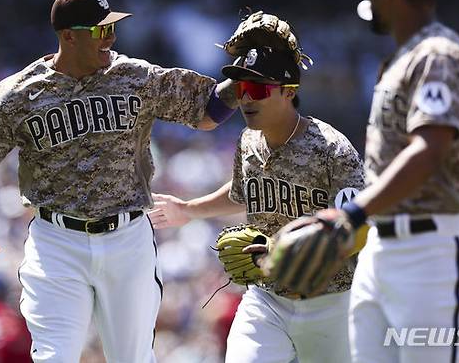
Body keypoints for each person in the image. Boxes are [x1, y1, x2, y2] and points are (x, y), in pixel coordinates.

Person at [0, 0, 238, 363]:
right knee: (54, 357)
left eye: (112, 28)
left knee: (133, 358)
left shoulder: (136, 77)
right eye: (99, 30)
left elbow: (207, 112)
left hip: (128, 238)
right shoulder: (19, 94)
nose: (110, 37)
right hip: (57, 242)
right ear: (68, 36)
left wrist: (247, 79)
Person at [316, 0, 459, 362]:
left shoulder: (439, 54)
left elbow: (429, 149)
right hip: (382, 248)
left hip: (433, 253)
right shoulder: (403, 58)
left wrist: (354, 211)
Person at [149, 46, 365, 363]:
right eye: (241, 90)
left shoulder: (332, 149)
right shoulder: (249, 140)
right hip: (266, 300)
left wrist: (288, 248)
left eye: (257, 89)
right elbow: (241, 191)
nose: (247, 100)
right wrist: (189, 209)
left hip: (330, 303)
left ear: (289, 92)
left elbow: (359, 227)